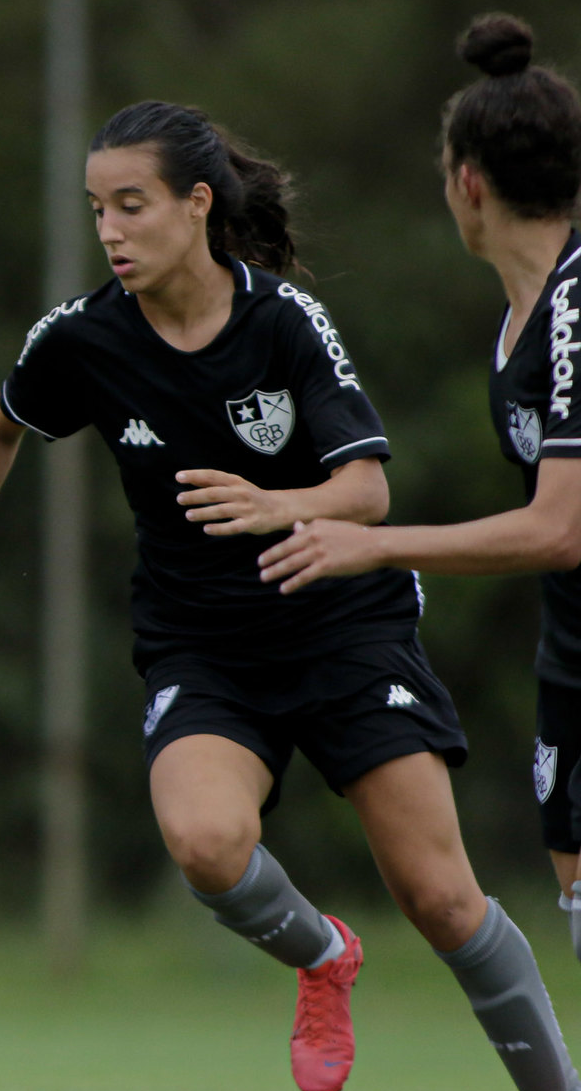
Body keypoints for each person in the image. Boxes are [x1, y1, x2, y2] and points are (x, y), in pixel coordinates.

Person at [0, 97, 581, 1091]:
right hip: (200, 644)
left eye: (130, 207)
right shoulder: (82, 337)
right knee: (204, 841)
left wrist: (283, 505)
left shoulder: (281, 322)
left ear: (194, 205)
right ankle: (321, 957)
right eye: (96, 211)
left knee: (441, 900)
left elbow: (363, 494)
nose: (111, 232)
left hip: (343, 629)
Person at [261, 9, 581, 982]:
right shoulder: (523, 312)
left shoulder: (574, 307)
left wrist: (373, 545)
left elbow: (559, 527)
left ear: (465, 182)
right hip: (570, 648)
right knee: (571, 883)